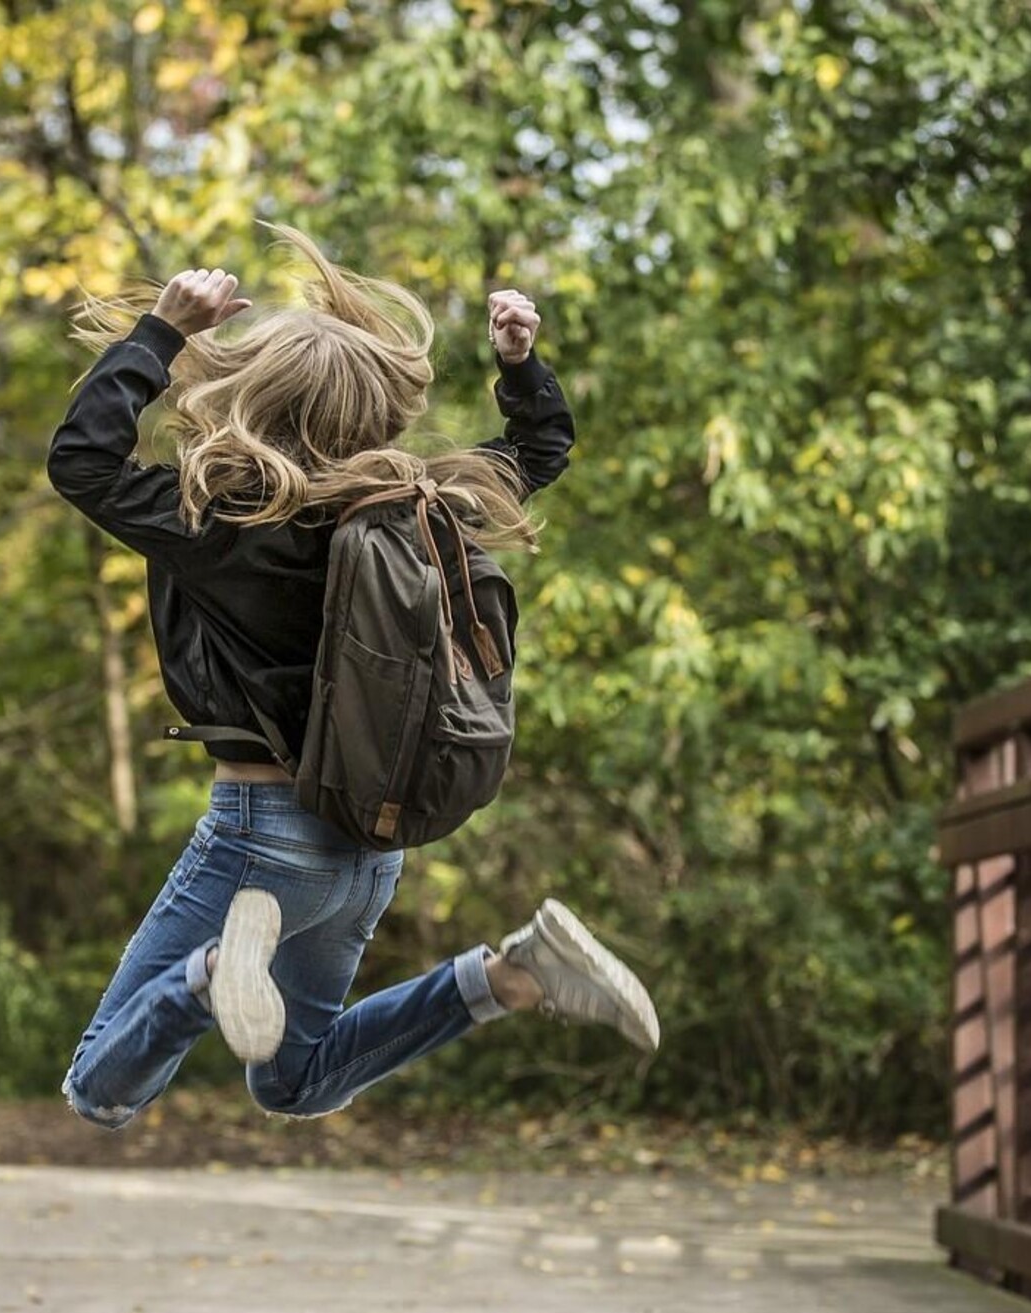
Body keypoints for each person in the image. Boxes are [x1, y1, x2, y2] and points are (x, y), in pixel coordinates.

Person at [50, 225, 659, 1129]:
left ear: (253, 395)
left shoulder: (214, 519)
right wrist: (521, 368)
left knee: (98, 1088)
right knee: (294, 1082)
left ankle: (214, 974)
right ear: (372, 407)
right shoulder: (422, 509)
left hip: (259, 841)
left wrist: (162, 332)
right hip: (368, 848)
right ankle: (513, 974)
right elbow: (536, 455)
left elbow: (83, 462)